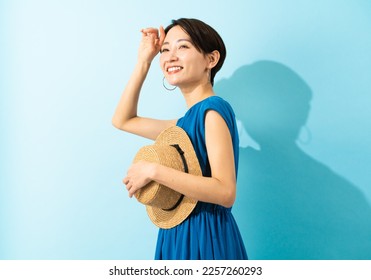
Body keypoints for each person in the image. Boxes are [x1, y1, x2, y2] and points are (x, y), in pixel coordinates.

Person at [112, 18, 247, 260]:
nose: (170, 56)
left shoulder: (212, 111)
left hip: (206, 235)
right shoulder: (183, 124)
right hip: (179, 232)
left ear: (211, 59)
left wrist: (153, 171)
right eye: (165, 50)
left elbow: (226, 192)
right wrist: (144, 61)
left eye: (183, 47)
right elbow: (123, 120)